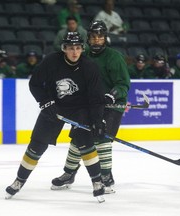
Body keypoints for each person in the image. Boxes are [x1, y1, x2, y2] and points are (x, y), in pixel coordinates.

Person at [5, 32, 107, 202]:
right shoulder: (52, 61)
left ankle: (97, 182)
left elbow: (96, 98)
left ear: (82, 48)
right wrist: (45, 101)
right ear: (64, 49)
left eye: (78, 48)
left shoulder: (90, 67)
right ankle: (19, 180)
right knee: (37, 144)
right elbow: (35, 84)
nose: (74, 52)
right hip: (55, 106)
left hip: (80, 109)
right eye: (70, 48)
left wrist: (97, 120)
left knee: (86, 142)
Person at [51, 20, 130, 194]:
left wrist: (113, 95)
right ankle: (68, 174)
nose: (96, 41)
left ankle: (106, 177)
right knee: (78, 137)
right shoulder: (83, 54)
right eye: (93, 37)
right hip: (91, 105)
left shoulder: (114, 57)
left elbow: (123, 84)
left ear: (105, 38)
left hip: (112, 105)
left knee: (102, 137)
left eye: (100, 37)